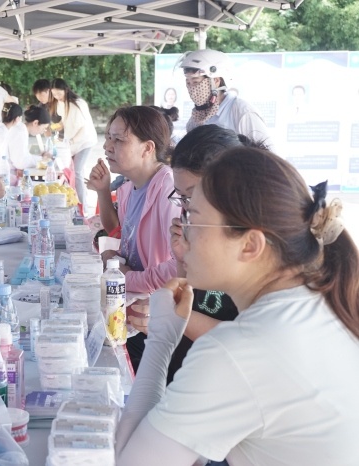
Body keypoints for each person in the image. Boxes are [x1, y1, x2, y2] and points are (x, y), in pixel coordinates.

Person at [115, 148, 359, 465]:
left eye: (193, 220)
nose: (183, 236)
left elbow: (129, 461)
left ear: (250, 245)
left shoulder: (237, 352)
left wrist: (161, 340)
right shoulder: (326, 302)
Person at [128, 124, 245, 383]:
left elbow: (246, 342)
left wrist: (172, 317)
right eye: (180, 197)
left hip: (217, 376)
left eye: (192, 197)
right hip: (185, 363)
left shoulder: (247, 243)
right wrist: (182, 259)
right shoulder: (196, 223)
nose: (185, 208)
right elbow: (190, 292)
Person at [87, 106, 180, 371]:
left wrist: (127, 277)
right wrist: (114, 258)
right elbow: (120, 232)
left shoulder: (169, 190)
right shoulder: (130, 187)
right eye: (108, 137)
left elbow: (181, 265)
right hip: (127, 310)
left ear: (147, 148)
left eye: (118, 139)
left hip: (152, 320)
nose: (107, 146)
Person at [177, 49, 273, 148]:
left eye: (196, 82)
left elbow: (267, 153)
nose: (192, 88)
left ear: (216, 81)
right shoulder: (197, 117)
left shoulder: (242, 111)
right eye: (188, 83)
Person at [50, 78, 98, 216]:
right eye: (54, 94)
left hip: (85, 141)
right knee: (69, 172)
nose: (57, 97)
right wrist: (58, 130)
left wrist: (65, 138)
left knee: (77, 172)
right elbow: (64, 123)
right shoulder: (60, 103)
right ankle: (74, 202)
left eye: (59, 93)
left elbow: (78, 125)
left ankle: (83, 207)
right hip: (71, 142)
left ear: (65, 90)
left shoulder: (77, 103)